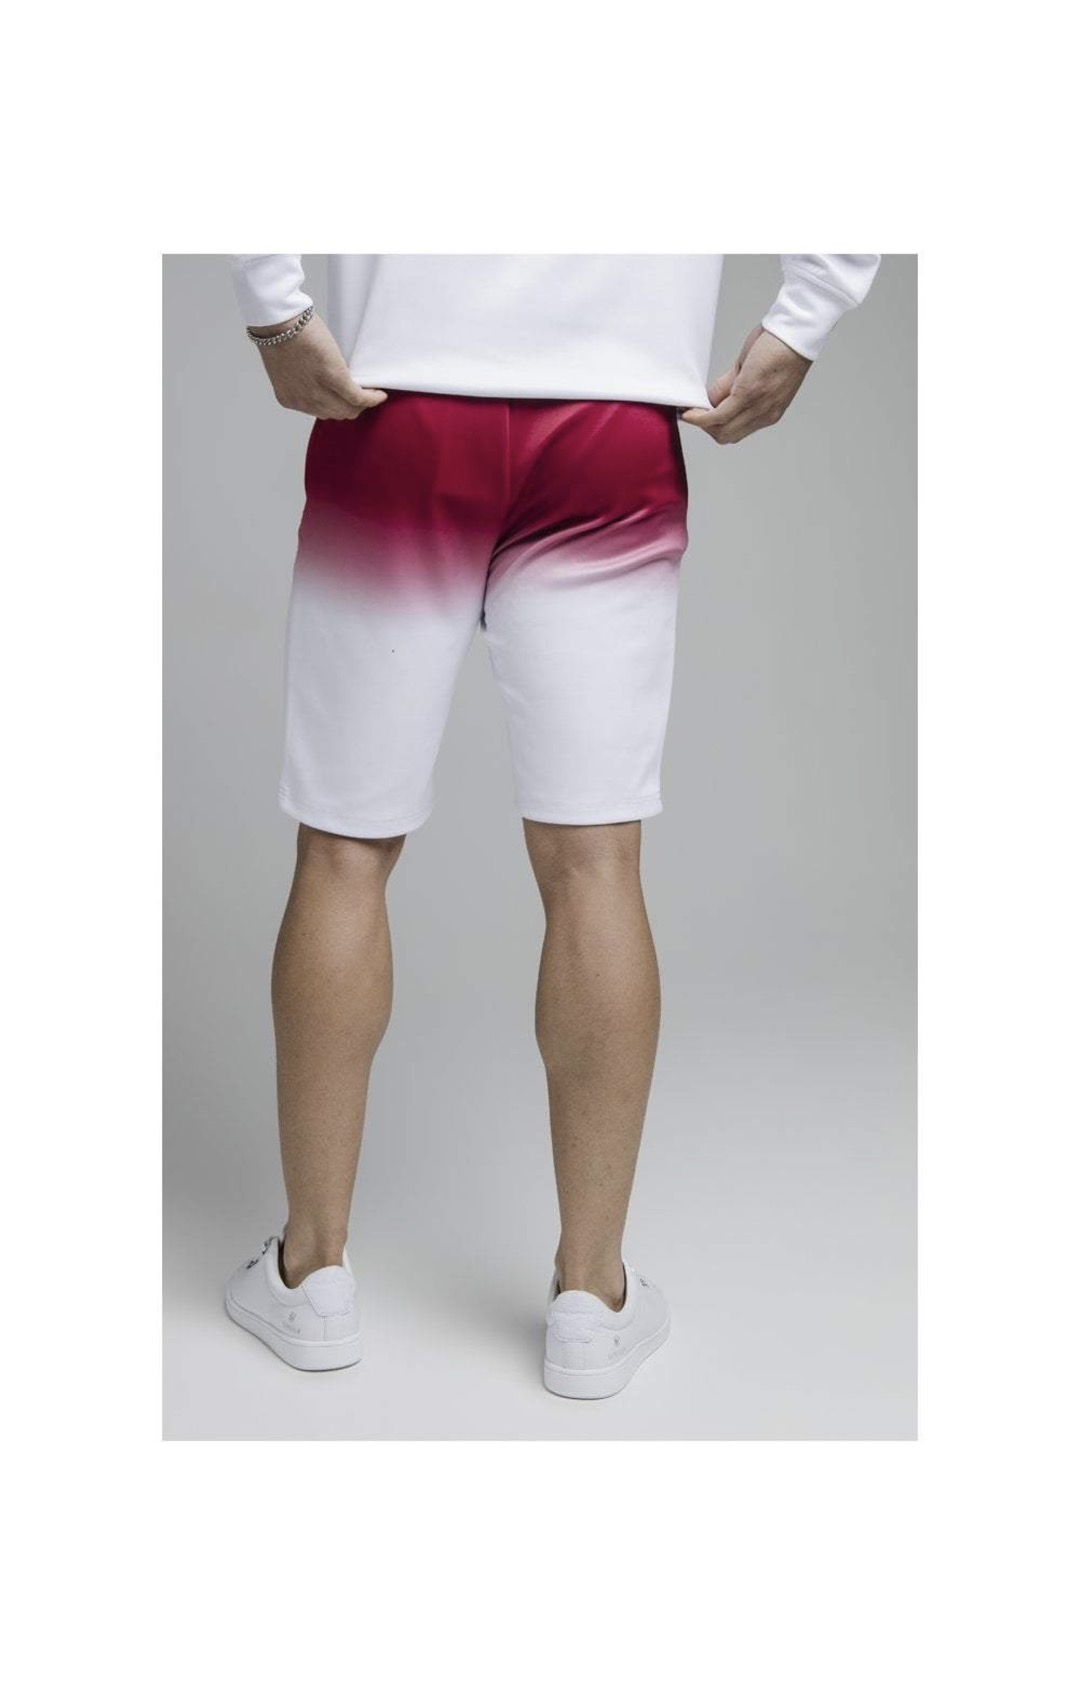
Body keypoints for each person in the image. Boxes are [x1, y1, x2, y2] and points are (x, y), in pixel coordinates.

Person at [222, 253, 880, 1398]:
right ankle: (592, 1296)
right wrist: (805, 318)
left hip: (400, 414)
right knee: (596, 863)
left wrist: (274, 310)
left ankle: (310, 1272)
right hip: (612, 426)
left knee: (343, 850)